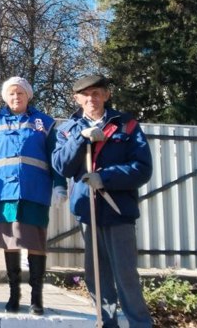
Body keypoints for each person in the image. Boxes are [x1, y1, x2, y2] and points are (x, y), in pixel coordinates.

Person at [52, 74, 153, 328]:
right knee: (97, 275)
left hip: (118, 210)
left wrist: (105, 177)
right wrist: (81, 138)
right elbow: (61, 166)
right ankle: (106, 322)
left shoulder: (126, 125)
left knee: (126, 275)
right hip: (87, 210)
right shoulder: (67, 130)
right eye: (85, 95)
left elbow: (142, 168)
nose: (91, 99)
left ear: (106, 95)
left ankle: (140, 324)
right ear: (76, 99)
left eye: (96, 93)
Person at [0, 76, 67, 315]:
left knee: (36, 241)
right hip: (5, 191)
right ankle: (13, 295)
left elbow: (54, 156)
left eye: (20, 93)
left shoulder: (41, 122)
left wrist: (60, 185)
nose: (16, 97)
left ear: (29, 95)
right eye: (11, 94)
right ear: (5, 97)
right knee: (10, 241)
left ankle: (36, 297)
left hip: (35, 190)